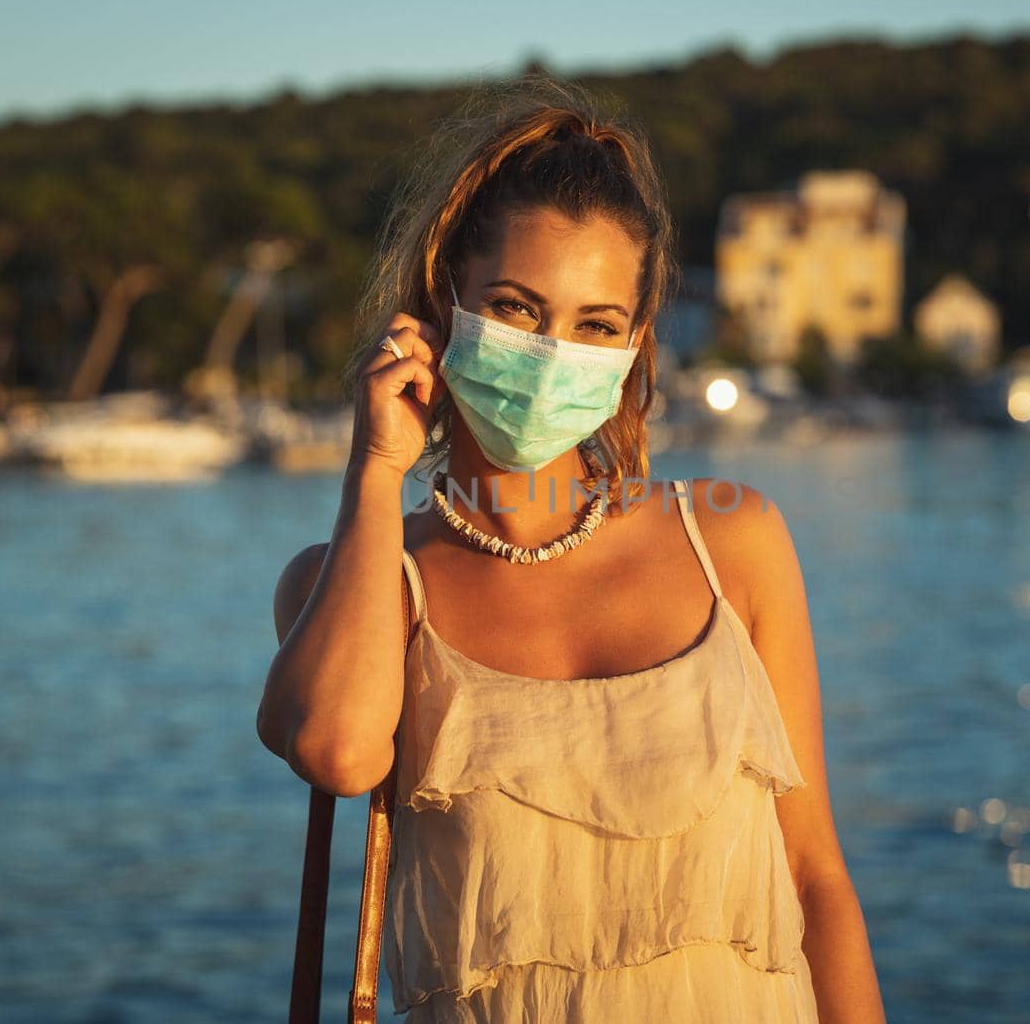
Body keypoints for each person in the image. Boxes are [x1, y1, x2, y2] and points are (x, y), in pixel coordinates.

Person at [257, 74, 885, 1023]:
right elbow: (337, 751)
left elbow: (816, 878)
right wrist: (375, 470)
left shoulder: (732, 541)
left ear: (634, 345)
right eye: (515, 308)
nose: (554, 355)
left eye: (595, 326)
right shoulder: (357, 581)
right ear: (441, 306)